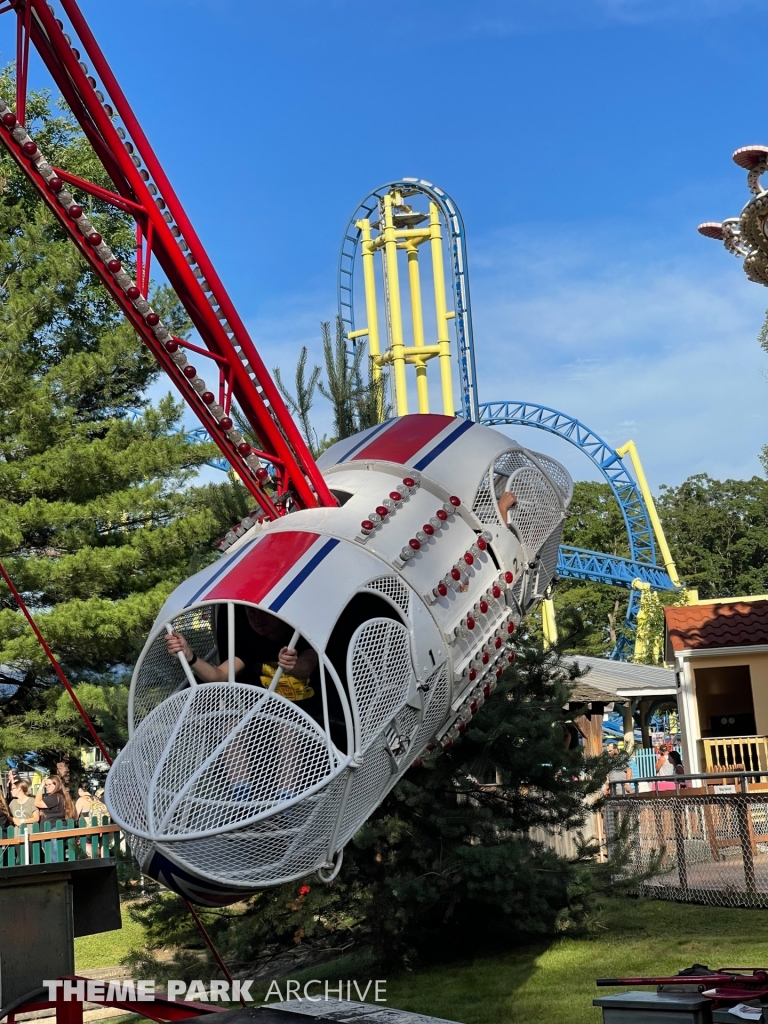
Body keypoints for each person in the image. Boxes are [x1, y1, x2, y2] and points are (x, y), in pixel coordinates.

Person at [166, 607, 319, 705]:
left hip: (301, 712)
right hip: (262, 713)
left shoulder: (302, 637)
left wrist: (291, 665)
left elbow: (305, 668)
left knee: (286, 727)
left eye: (264, 613)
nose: (258, 619)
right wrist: (189, 656)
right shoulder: (251, 645)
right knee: (230, 727)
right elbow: (219, 676)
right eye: (251, 612)